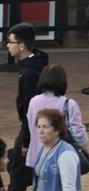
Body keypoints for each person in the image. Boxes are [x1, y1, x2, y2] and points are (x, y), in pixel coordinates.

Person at [6, 23, 49, 191]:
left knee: (18, 173)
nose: (8, 45)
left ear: (22, 46)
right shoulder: (35, 64)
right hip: (36, 130)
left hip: (31, 131)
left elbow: (29, 111)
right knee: (15, 163)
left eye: (11, 42)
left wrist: (26, 142)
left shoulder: (29, 73)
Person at [26, 65, 89, 171]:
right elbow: (78, 133)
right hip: (61, 158)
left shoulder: (33, 101)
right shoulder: (69, 104)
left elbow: (31, 127)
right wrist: (87, 150)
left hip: (37, 157)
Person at [32, 109, 81, 191]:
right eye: (39, 127)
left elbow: (69, 188)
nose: (41, 131)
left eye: (45, 127)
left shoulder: (66, 154)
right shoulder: (44, 148)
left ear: (57, 130)